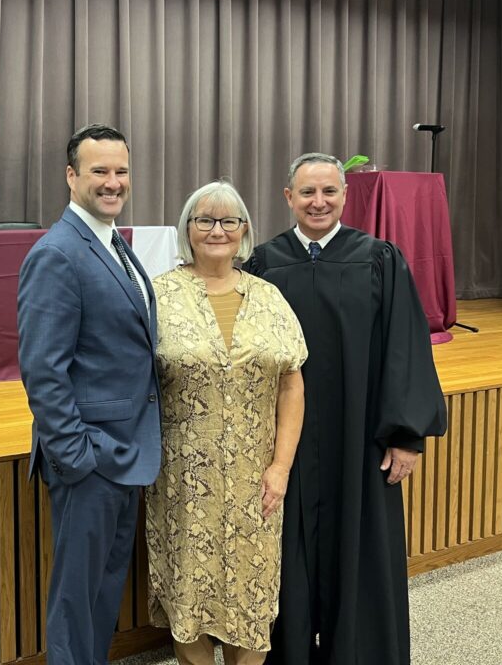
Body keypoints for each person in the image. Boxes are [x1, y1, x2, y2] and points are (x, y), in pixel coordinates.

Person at [244, 153, 447, 665]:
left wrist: (405, 434)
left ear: (344, 196)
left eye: (329, 191)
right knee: (287, 549)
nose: (319, 202)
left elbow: (405, 346)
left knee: (361, 547)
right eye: (307, 192)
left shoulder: (378, 259)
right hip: (283, 439)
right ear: (287, 198)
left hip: (361, 438)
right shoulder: (265, 263)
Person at [17, 123, 161, 664]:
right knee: (77, 605)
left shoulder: (110, 243)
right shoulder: (58, 253)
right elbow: (42, 371)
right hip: (92, 460)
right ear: (71, 175)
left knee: (102, 595)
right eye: (99, 171)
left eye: (121, 171)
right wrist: (78, 457)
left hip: (125, 453)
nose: (113, 182)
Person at [146, 181, 307, 665]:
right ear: (187, 230)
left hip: (256, 480)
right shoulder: (158, 295)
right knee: (188, 596)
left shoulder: (270, 296)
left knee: (251, 595)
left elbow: (291, 386)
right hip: (181, 480)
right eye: (205, 220)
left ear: (244, 231)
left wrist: (280, 468)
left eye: (229, 221)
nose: (217, 230)